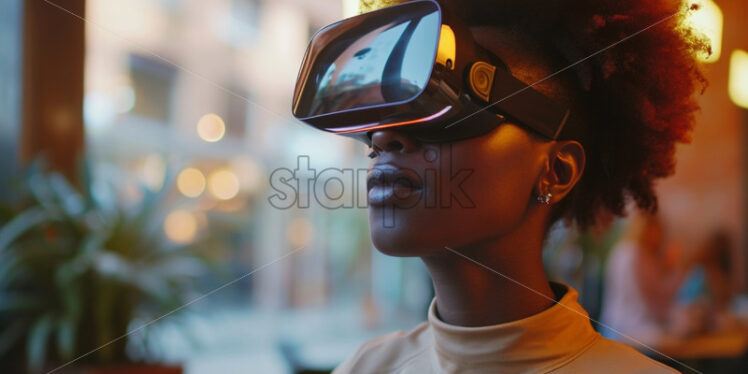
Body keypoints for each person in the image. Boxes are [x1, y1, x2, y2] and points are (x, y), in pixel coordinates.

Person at [292, 0, 709, 372]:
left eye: (446, 106)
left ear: (556, 172)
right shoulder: (365, 367)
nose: (384, 139)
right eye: (385, 122)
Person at [600, 211, 688, 344]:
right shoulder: (635, 255)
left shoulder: (626, 251)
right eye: (656, 229)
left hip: (617, 326)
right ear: (645, 229)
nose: (659, 235)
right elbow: (650, 301)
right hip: (628, 331)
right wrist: (673, 267)